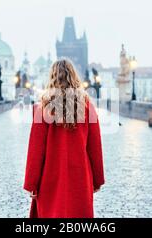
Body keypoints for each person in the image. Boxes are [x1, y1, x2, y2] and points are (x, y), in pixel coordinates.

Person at [24, 59, 105, 218]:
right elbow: (95, 146)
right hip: (80, 176)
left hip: (50, 176)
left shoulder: (44, 107)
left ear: (52, 77)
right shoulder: (87, 106)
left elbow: (36, 149)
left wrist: (32, 183)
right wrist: (97, 178)